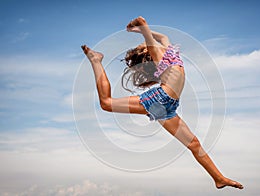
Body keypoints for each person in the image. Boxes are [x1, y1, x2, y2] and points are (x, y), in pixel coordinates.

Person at [81, 16, 243, 190]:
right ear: (147, 53)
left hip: (169, 106)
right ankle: (96, 61)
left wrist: (137, 30)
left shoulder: (169, 51)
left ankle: (219, 179)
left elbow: (163, 37)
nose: (146, 44)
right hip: (159, 98)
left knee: (194, 144)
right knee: (106, 103)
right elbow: (147, 32)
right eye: (144, 45)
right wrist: (140, 26)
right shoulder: (157, 55)